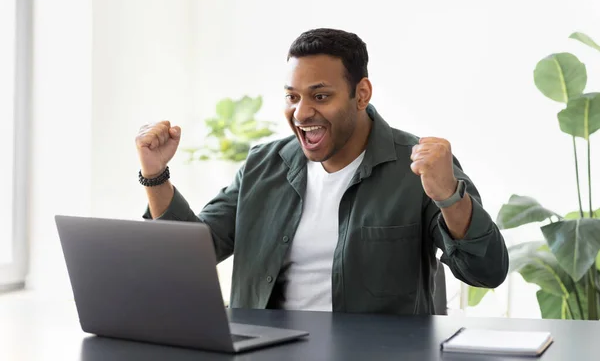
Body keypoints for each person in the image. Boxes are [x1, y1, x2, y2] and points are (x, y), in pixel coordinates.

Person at [135, 28, 508, 315]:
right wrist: (155, 174)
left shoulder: (417, 167)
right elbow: (190, 255)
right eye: (292, 97)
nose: (300, 114)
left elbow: (486, 271)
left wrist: (449, 197)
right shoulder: (263, 166)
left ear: (361, 94)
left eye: (320, 96)